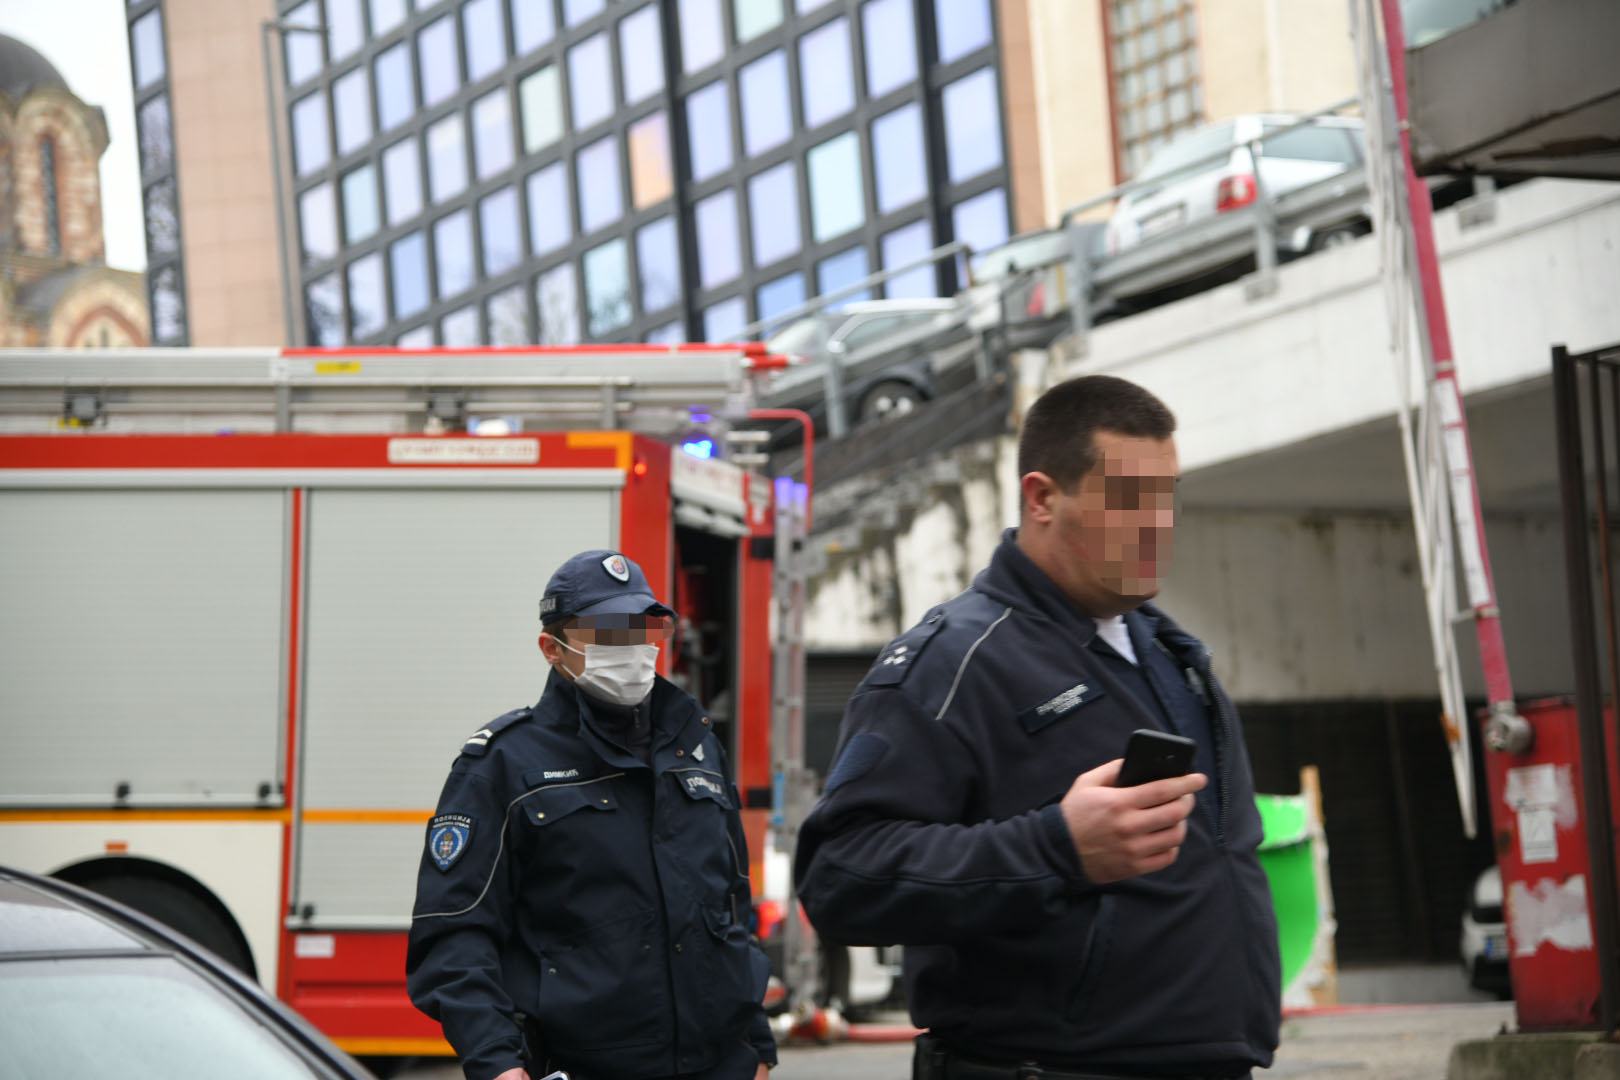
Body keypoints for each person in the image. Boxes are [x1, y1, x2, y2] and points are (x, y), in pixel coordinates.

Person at [794, 375, 1281, 1080]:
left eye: (1165, 497)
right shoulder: (955, 660)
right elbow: (841, 878)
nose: (1157, 523)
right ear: (1043, 497)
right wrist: (1056, 847)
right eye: (1128, 499)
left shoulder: (1173, 658)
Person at [407, 549, 776, 1080]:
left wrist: (756, 1046)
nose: (628, 648)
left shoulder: (696, 750)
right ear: (551, 649)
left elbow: (731, 908)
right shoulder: (503, 765)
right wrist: (497, 1066)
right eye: (604, 632)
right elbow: (454, 936)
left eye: (640, 628)